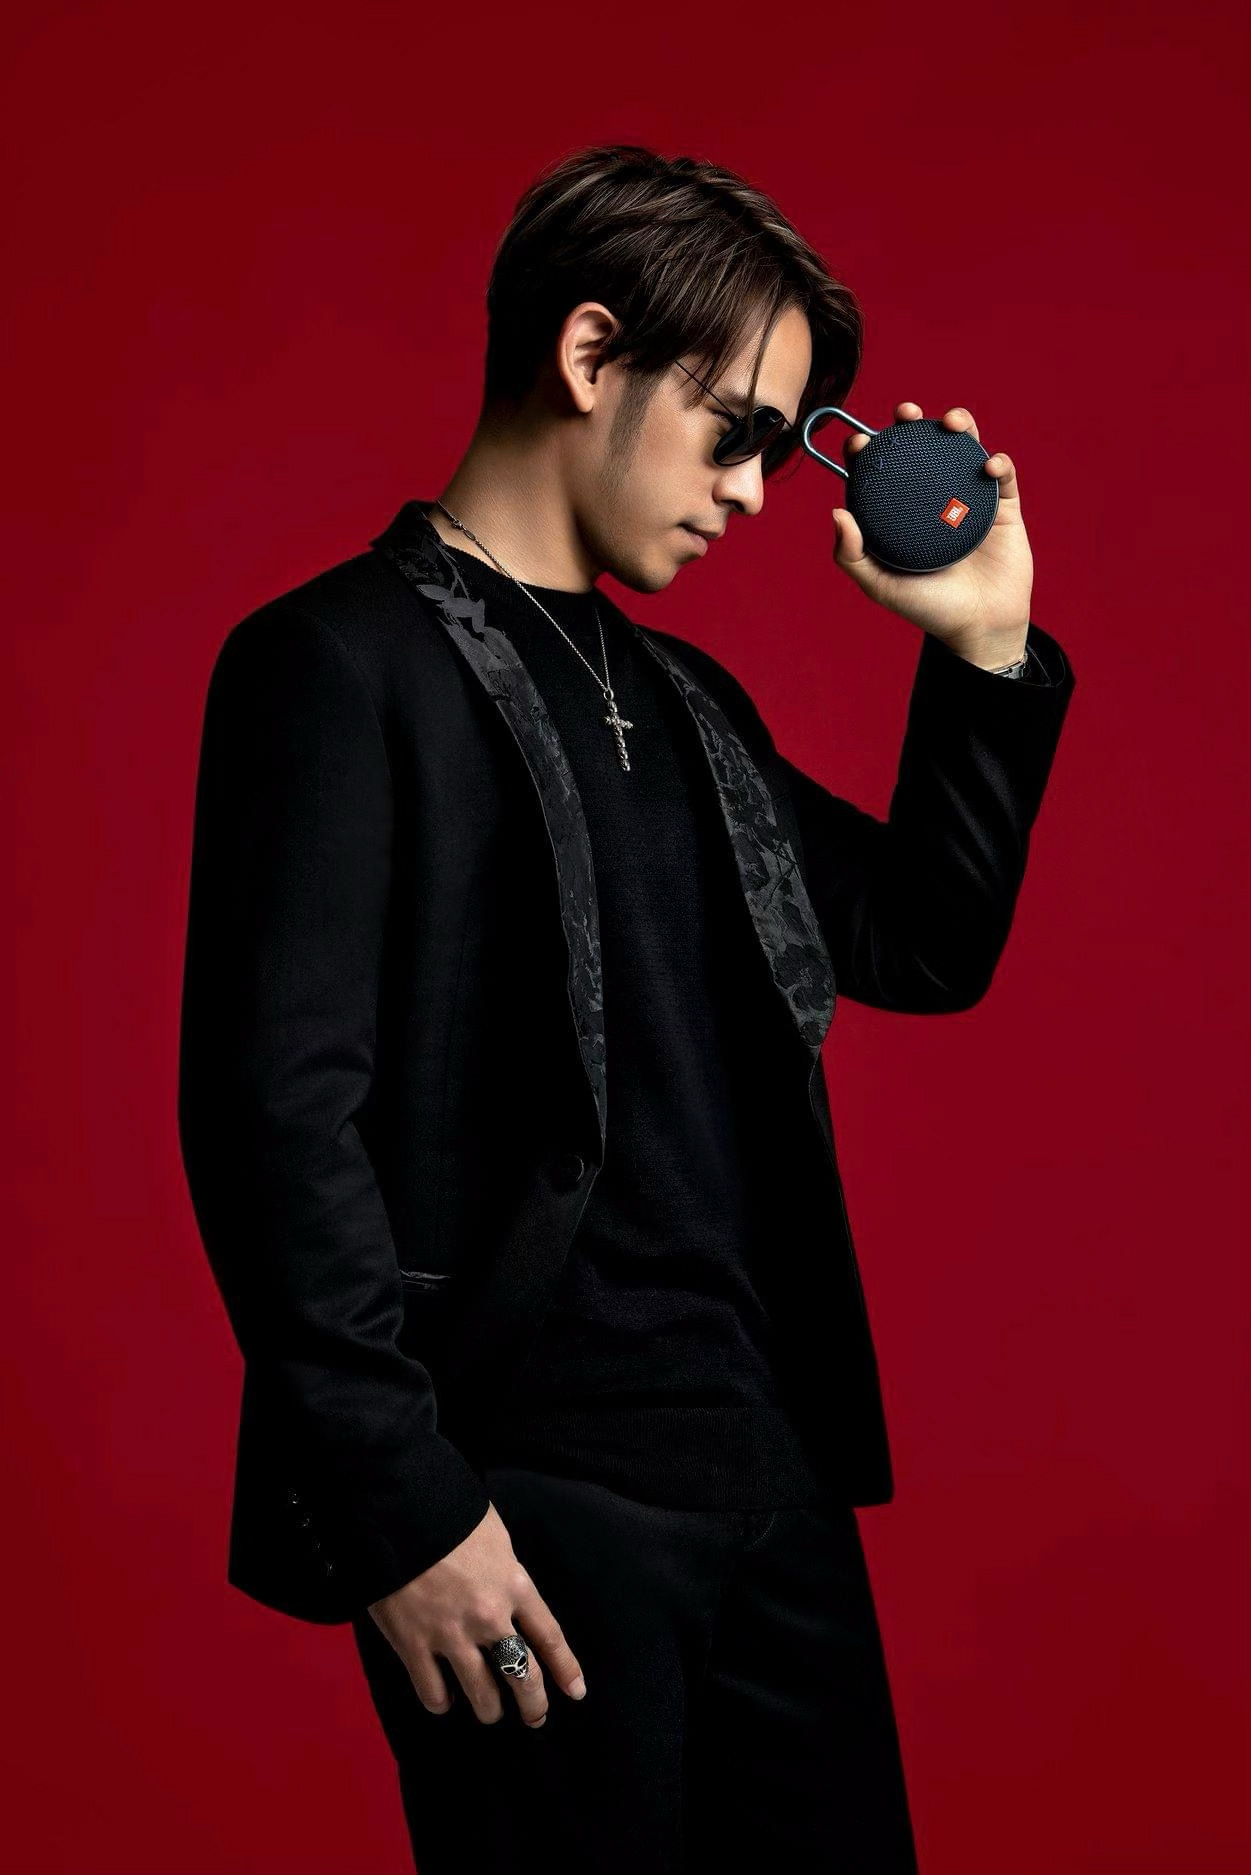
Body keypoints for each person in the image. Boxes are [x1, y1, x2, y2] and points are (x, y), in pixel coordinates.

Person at [177, 143, 1077, 1873]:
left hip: (773, 1484)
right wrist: (401, 1510)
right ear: (591, 355)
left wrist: (983, 648)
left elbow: (923, 945)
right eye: (735, 431)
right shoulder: (334, 663)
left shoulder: (692, 702)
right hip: (526, 1509)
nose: (752, 493)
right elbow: (276, 1118)